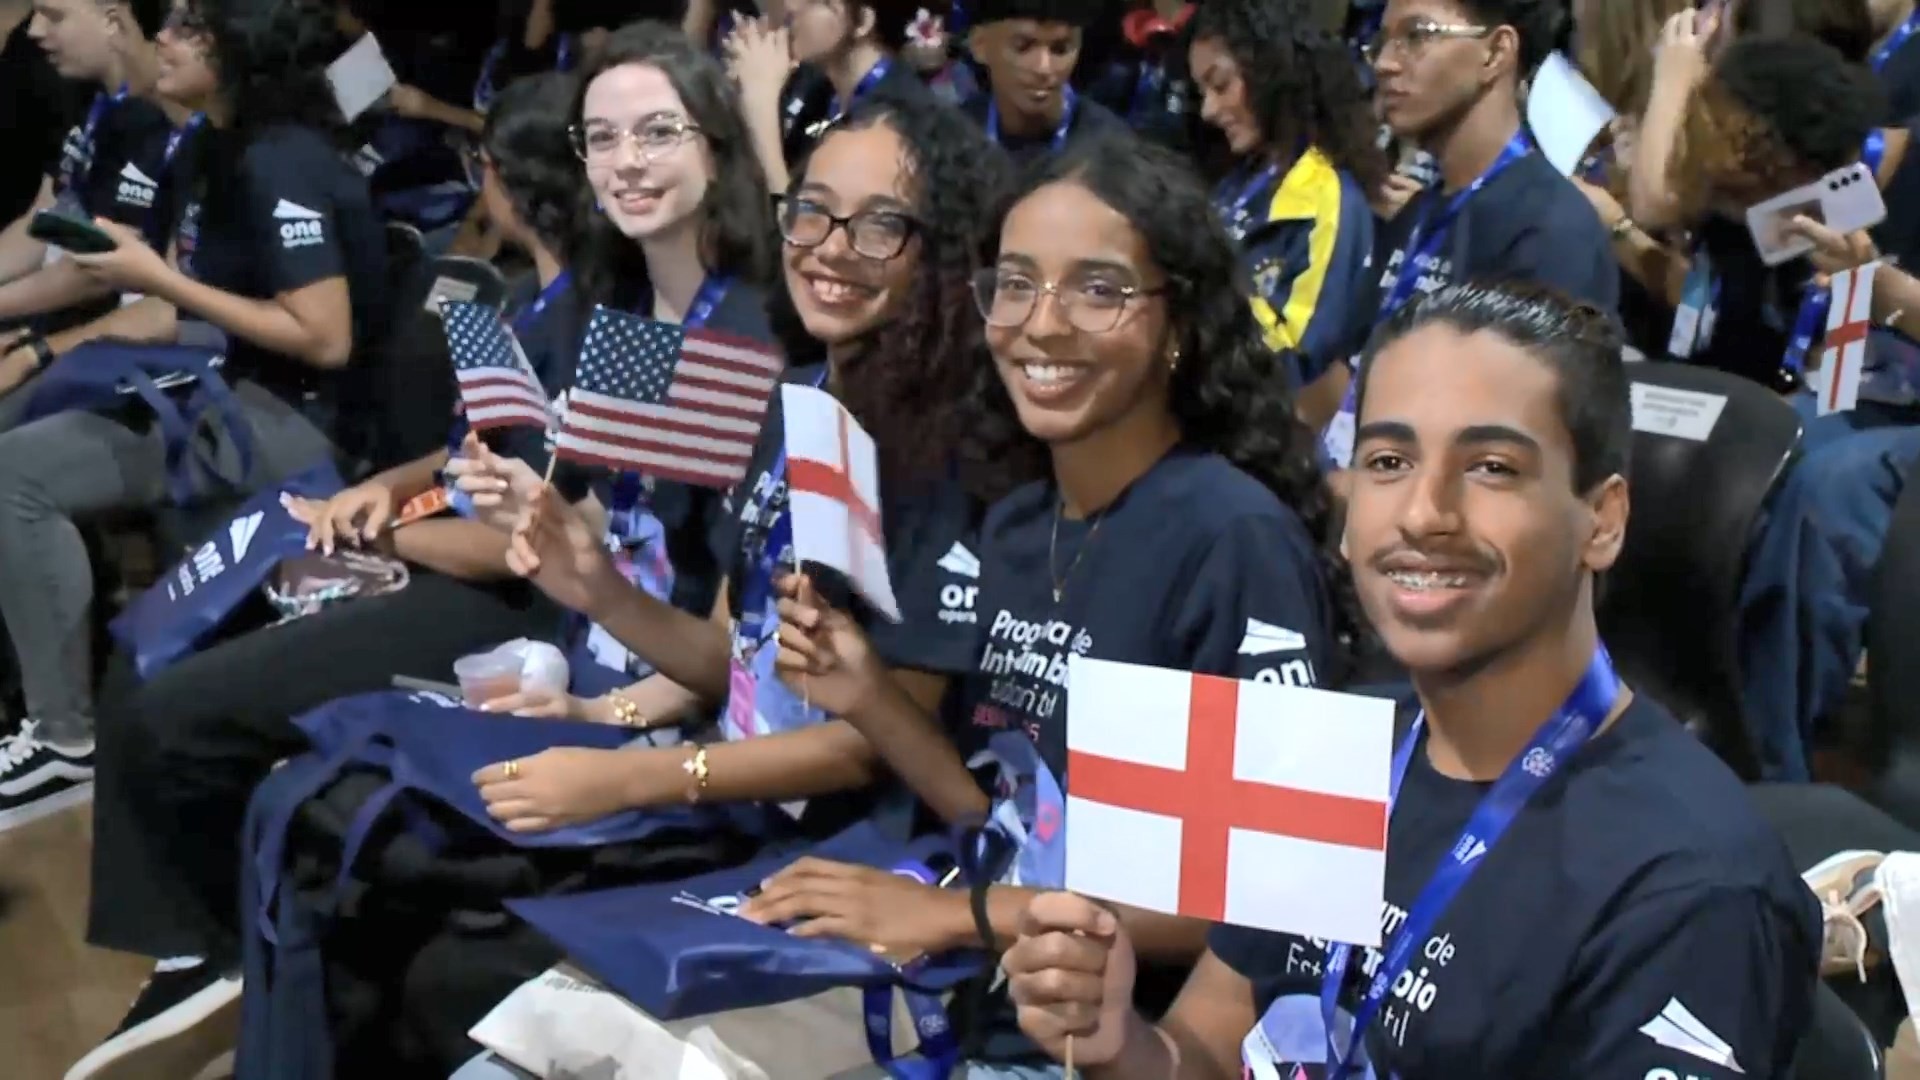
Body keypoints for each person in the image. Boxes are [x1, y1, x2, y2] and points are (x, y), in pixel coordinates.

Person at [999, 282, 1820, 1079]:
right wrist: (1117, 1044)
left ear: (1601, 521)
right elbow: (1203, 1053)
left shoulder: (1690, 890)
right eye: (1388, 461)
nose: (1425, 513)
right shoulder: (1328, 751)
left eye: (1492, 466)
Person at [377, 89, 1010, 1076]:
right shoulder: (788, 390)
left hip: (829, 835)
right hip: (710, 771)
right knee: (383, 849)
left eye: (880, 225)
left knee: (452, 964)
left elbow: (866, 743)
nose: (831, 248)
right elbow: (728, 656)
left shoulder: (945, 450)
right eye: (813, 212)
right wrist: (596, 594)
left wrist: (633, 767)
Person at [749, 134, 1350, 1075]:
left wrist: (958, 914)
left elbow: (1269, 906)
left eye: (1098, 290)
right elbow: (1018, 824)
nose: (1042, 324)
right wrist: (868, 695)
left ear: (1179, 321)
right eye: (1017, 284)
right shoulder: (1023, 522)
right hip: (991, 993)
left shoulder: (1235, 540)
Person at [65, 72, 597, 1080]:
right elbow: (469, 458)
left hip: (516, 606)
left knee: (180, 710)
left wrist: (382, 535)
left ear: (500, 178)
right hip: (445, 547)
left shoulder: (599, 323)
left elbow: (526, 542)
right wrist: (380, 493)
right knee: (160, 656)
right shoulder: (522, 301)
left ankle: (213, 945)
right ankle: (197, 943)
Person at [0, 0, 388, 827]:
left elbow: (325, 338)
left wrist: (159, 281)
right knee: (22, 455)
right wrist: (57, 342)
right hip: (224, 384)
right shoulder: (217, 144)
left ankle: (66, 740)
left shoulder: (282, 160)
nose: (163, 39)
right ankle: (55, 706)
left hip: (301, 423)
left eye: (187, 27)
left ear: (240, 48)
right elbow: (183, 306)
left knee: (14, 477)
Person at [1317, 0, 1617, 450]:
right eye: (1381, 42)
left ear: (1495, 53)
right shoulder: (1413, 213)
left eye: (1417, 36)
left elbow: (1518, 440)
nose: (1384, 63)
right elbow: (1343, 376)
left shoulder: (1551, 229)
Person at [1188, 0, 1383, 390]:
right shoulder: (1235, 182)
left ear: (1270, 72)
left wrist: (1204, 293)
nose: (1208, 109)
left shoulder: (1328, 198)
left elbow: (1298, 357)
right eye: (1201, 91)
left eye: (1221, 85)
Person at [0, 0, 187, 355]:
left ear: (112, 22)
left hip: (123, 336)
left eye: (53, 16)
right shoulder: (89, 97)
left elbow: (96, 272)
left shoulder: (155, 120)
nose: (33, 29)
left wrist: (31, 350)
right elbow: (44, 217)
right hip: (64, 316)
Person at [727, 0, 934, 190]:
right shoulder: (813, 85)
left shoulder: (900, 118)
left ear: (863, 22)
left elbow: (797, 218)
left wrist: (761, 106)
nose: (791, 5)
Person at [960, 0, 1125, 167]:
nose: (1043, 68)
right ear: (980, 45)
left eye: (1060, 49)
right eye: (1022, 47)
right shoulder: (955, 136)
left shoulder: (1112, 148)